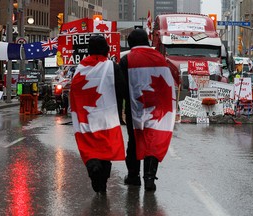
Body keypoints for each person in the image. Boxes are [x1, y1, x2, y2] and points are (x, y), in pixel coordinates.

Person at [119, 29, 176, 191]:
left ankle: (133, 176)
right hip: (158, 109)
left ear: (130, 43)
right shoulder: (160, 59)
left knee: (135, 140)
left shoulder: (126, 60)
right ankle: (149, 178)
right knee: (153, 141)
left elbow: (121, 87)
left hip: (134, 108)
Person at [69, 35, 126, 193]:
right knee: (105, 148)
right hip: (106, 115)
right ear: (106, 50)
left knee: (89, 147)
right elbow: (122, 87)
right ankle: (103, 179)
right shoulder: (112, 66)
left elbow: (74, 91)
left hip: (86, 115)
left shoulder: (80, 68)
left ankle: (93, 167)